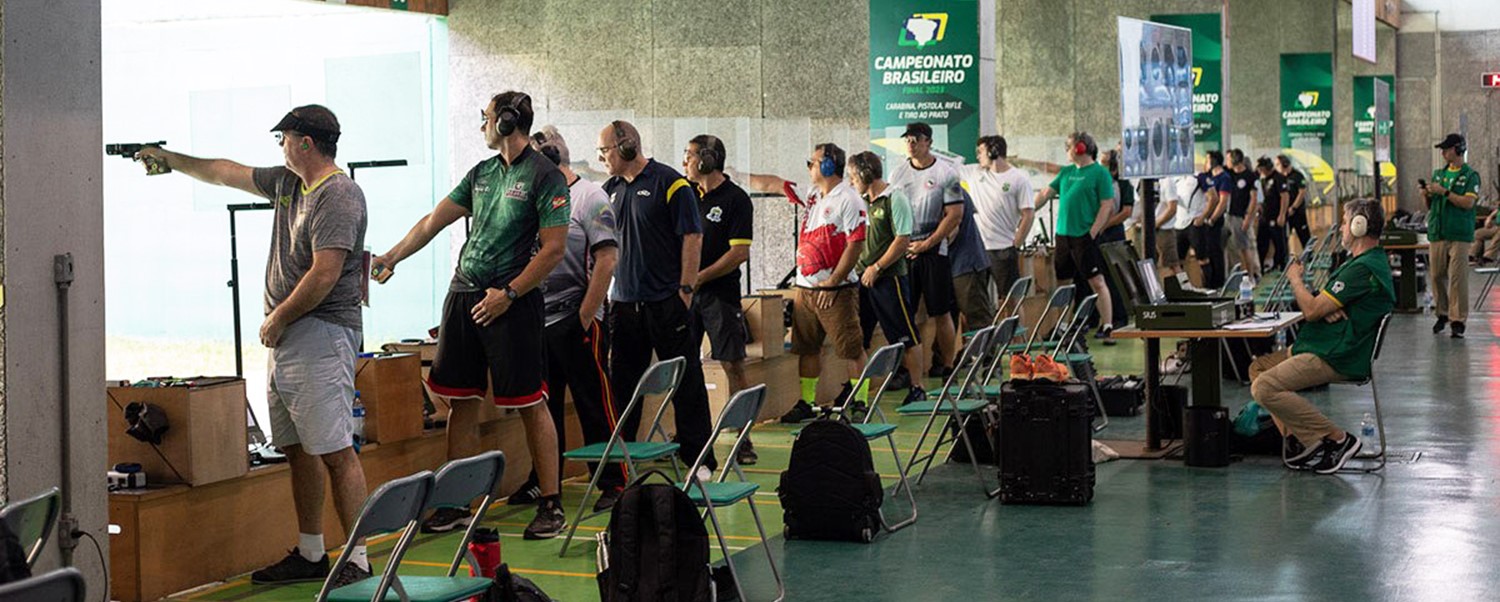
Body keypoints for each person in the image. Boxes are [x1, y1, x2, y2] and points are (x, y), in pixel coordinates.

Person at [137, 105, 372, 584]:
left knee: (335, 451)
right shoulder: (289, 184)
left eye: (283, 138)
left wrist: (278, 317)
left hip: (319, 333)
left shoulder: (340, 195)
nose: (280, 147)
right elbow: (225, 172)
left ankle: (359, 559)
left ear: (305, 142)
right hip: (290, 338)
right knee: (298, 450)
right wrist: (170, 159)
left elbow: (325, 273)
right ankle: (311, 554)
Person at [373, 91, 568, 539]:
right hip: (464, 296)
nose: (480, 125)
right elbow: (432, 222)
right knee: (459, 400)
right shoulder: (481, 173)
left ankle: (552, 503)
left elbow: (554, 250)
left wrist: (511, 293)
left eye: (484, 118)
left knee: (529, 402)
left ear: (504, 122)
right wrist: (393, 256)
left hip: (512, 302)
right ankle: (455, 502)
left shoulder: (545, 176)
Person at [500, 126, 625, 512]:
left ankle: (612, 480)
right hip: (537, 321)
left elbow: (607, 259)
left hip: (578, 318)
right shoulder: (535, 198)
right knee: (543, 408)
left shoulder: (590, 197)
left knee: (593, 404)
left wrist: (585, 317)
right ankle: (544, 480)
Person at [597, 120, 718, 479]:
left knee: (687, 382)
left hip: (666, 302)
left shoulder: (671, 183)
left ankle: (700, 459)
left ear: (627, 147)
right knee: (621, 388)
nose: (602, 157)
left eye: (605, 150)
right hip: (624, 305)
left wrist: (685, 290)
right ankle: (620, 466)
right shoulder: (610, 190)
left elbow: (692, 237)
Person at [1250, 199, 1393, 474]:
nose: (1340, 228)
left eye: (1344, 222)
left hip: (1337, 355)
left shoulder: (1362, 269)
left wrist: (1295, 280)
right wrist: (1326, 307)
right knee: (1257, 368)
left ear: (1358, 225)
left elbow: (1313, 310)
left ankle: (1337, 438)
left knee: (1264, 388)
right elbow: (1323, 305)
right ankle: (1306, 441)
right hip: (1328, 344)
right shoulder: (1364, 263)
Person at [748, 144, 869, 422]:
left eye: (812, 162)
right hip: (806, 288)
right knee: (807, 348)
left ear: (828, 166)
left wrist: (833, 281)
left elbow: (855, 244)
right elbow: (775, 184)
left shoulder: (848, 199)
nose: (808, 167)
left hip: (835, 290)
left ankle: (860, 402)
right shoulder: (814, 195)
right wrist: (736, 175)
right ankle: (808, 402)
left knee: (850, 348)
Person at [682, 134, 759, 466]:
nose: (684, 161)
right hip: (687, 295)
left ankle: (744, 437)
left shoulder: (736, 199)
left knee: (732, 364)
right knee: (684, 367)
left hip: (720, 296)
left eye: (689, 155)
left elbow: (738, 253)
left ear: (707, 160)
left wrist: (699, 277)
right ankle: (689, 435)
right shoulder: (686, 195)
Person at [888, 122, 964, 391]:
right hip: (905, 251)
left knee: (940, 312)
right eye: (907, 138)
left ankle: (948, 363)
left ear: (928, 142)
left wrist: (929, 243)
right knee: (906, 314)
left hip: (934, 252)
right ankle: (905, 371)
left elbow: (954, 215)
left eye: (916, 139)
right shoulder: (898, 173)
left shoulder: (947, 173)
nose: (911, 143)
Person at [848, 151, 926, 395]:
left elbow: (902, 240)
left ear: (864, 174)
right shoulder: (861, 202)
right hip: (863, 279)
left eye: (853, 176)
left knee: (905, 336)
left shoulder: (895, 198)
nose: (851, 182)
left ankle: (917, 386)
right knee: (859, 339)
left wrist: (877, 267)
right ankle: (858, 393)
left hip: (889, 279)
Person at [1033, 132, 1116, 339]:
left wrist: (1093, 232)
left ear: (1080, 148)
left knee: (1096, 281)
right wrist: (1026, 210)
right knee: (1063, 281)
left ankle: (1107, 325)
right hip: (1063, 234)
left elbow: (1107, 205)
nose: (1067, 151)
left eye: (1068, 147)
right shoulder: (1067, 172)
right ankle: (1062, 325)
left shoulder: (1099, 173)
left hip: (1084, 235)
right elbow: (1045, 194)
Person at [1424, 133, 1482, 338]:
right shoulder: (1438, 175)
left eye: (1447, 149)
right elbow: (1431, 206)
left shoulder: (1470, 176)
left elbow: (1468, 203)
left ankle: (1458, 319)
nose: (1443, 153)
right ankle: (1442, 312)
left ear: (1458, 150)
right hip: (1438, 231)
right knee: (1436, 274)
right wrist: (1428, 195)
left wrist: (1445, 193)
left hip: (1459, 233)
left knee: (1457, 277)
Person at [966, 135, 1034, 301]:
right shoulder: (975, 172)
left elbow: (1028, 214)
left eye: (980, 151)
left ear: (993, 151)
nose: (977, 156)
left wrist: (1016, 243)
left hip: (1003, 249)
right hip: (978, 249)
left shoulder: (1019, 178)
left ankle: (1015, 327)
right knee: (974, 301)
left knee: (1010, 299)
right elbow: (950, 164)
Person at [1223, 149, 1261, 282]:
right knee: (1230, 247)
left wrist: (1248, 218)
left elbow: (1254, 199)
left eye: (1228, 159)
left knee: (1244, 247)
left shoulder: (1250, 176)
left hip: (1241, 217)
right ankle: (1235, 276)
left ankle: (1251, 276)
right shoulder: (1228, 173)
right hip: (1228, 215)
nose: (1226, 162)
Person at [1196, 150, 1231, 289]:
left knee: (1216, 251)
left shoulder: (1224, 178)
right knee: (1208, 250)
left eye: (1208, 159)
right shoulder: (1209, 177)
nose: (1206, 162)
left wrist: (1212, 218)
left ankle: (1219, 282)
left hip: (1215, 221)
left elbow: (1222, 202)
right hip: (1207, 220)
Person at [1255, 156, 1290, 273]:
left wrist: (1282, 214)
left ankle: (1282, 266)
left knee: (1279, 243)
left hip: (1276, 216)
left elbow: (1284, 197)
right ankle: (1261, 267)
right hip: (1265, 216)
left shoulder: (1278, 178)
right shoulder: (1262, 179)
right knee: (1261, 243)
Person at [1277, 155, 1313, 251]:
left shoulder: (1297, 175)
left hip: (1297, 211)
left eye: (1277, 164)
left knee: (1304, 235)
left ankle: (1309, 256)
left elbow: (1302, 192)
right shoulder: (1280, 177)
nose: (1276, 167)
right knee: (1284, 237)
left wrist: (1294, 207)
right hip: (1286, 212)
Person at [1149, 177, 1182, 278]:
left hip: (1163, 229)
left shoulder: (1167, 181)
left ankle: (1184, 289)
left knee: (1171, 265)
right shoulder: (1149, 180)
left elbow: (1172, 208)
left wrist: (1156, 223)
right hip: (1149, 229)